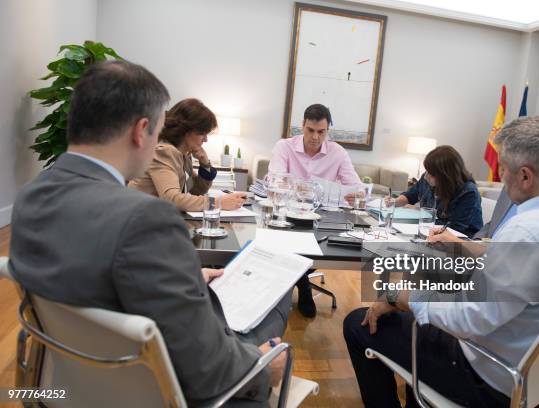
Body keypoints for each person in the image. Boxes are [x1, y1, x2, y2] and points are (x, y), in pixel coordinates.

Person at [9, 61, 291, 407]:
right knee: (277, 302)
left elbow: (92, 272)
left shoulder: (30, 198)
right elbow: (206, 369)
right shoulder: (146, 219)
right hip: (162, 389)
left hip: (74, 380)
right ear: (141, 130)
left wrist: (181, 276)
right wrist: (262, 367)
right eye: (158, 130)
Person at [343, 115, 539, 407]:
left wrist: (396, 296)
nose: (501, 179)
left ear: (525, 175)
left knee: (357, 323)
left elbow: (469, 317)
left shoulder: (528, 230)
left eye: (503, 170)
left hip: (490, 375)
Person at [268, 104, 363, 318]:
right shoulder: (284, 146)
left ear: (328, 130)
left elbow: (355, 188)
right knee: (282, 240)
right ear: (302, 125)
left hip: (320, 218)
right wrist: (294, 186)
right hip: (288, 214)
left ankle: (300, 281)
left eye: (322, 132)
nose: (315, 137)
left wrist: (356, 195)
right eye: (311, 130)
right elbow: (275, 180)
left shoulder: (337, 153)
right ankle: (303, 284)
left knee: (324, 244)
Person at [129, 98, 246, 211]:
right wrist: (218, 202)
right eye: (203, 133)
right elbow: (172, 199)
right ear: (186, 130)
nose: (205, 140)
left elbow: (196, 190)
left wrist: (205, 164)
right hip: (138, 221)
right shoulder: (164, 152)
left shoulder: (183, 155)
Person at [395, 145, 483, 237]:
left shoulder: (468, 192)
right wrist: (395, 202)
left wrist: (421, 213)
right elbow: (410, 195)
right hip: (429, 233)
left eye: (432, 174)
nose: (426, 176)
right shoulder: (428, 178)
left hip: (458, 242)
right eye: (427, 171)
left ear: (446, 176)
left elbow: (454, 228)